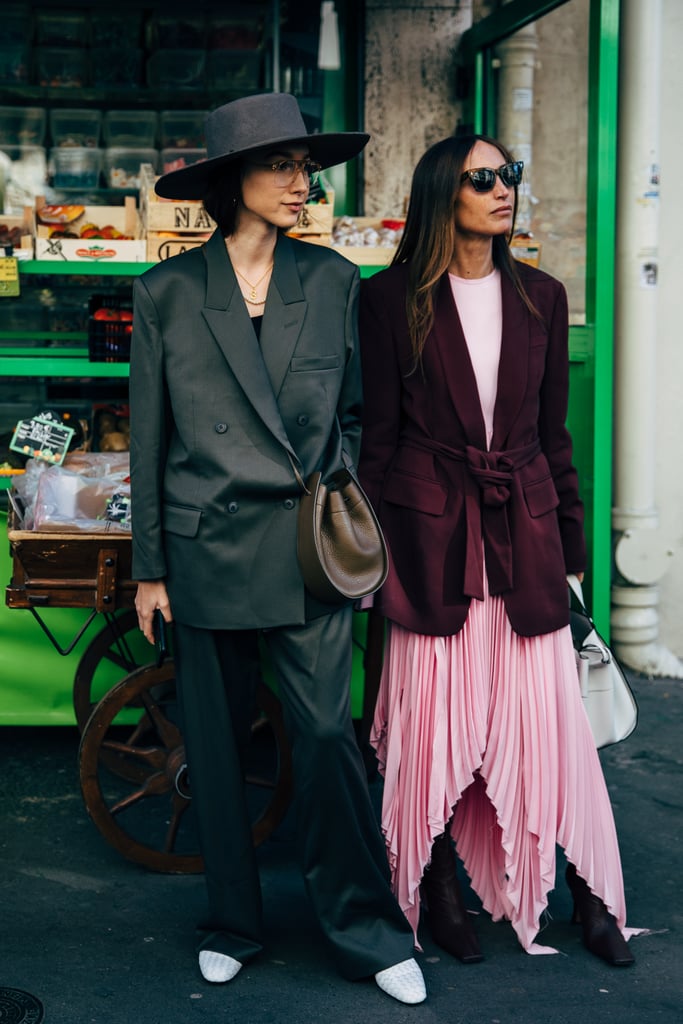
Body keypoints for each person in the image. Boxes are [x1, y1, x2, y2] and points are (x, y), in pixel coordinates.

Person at [128, 92, 426, 1005]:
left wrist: (342, 503)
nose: (302, 182)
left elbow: (359, 415)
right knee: (214, 750)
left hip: (304, 543)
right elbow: (150, 438)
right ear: (232, 184)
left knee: (329, 735)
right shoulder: (167, 291)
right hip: (205, 541)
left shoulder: (333, 279)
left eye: (305, 166)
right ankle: (232, 922)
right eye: (281, 166)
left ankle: (369, 934)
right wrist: (148, 568)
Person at [357, 134, 639, 965]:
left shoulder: (541, 296)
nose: (501, 190)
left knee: (549, 727)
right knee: (435, 728)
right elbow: (378, 439)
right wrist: (371, 556)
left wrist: (574, 552)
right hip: (426, 540)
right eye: (482, 179)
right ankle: (436, 885)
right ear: (445, 193)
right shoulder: (388, 301)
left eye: (508, 175)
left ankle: (589, 894)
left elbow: (554, 437)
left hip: (525, 536)